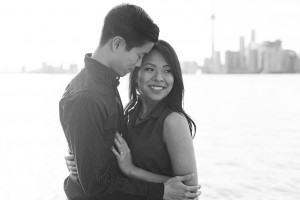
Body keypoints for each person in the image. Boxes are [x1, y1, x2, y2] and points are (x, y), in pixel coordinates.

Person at [60, 3, 201, 200]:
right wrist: (81, 163)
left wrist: (87, 160)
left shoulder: (109, 87)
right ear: (117, 44)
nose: (138, 64)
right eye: (141, 58)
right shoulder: (88, 97)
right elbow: (96, 184)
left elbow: (188, 190)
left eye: (168, 71)